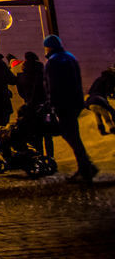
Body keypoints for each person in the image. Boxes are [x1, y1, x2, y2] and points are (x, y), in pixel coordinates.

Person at [43, 34, 98, 182]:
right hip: (75, 102)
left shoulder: (53, 62)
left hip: (62, 104)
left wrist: (51, 103)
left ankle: (86, 168)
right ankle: (86, 166)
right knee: (73, 134)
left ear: (49, 47)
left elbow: (52, 86)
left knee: (71, 136)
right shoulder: (70, 57)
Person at [86, 66, 115, 135]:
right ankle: (113, 129)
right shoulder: (110, 79)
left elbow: (90, 91)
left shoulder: (98, 79)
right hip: (99, 100)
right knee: (106, 115)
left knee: (97, 114)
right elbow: (109, 89)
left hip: (90, 102)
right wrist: (111, 94)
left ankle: (101, 131)